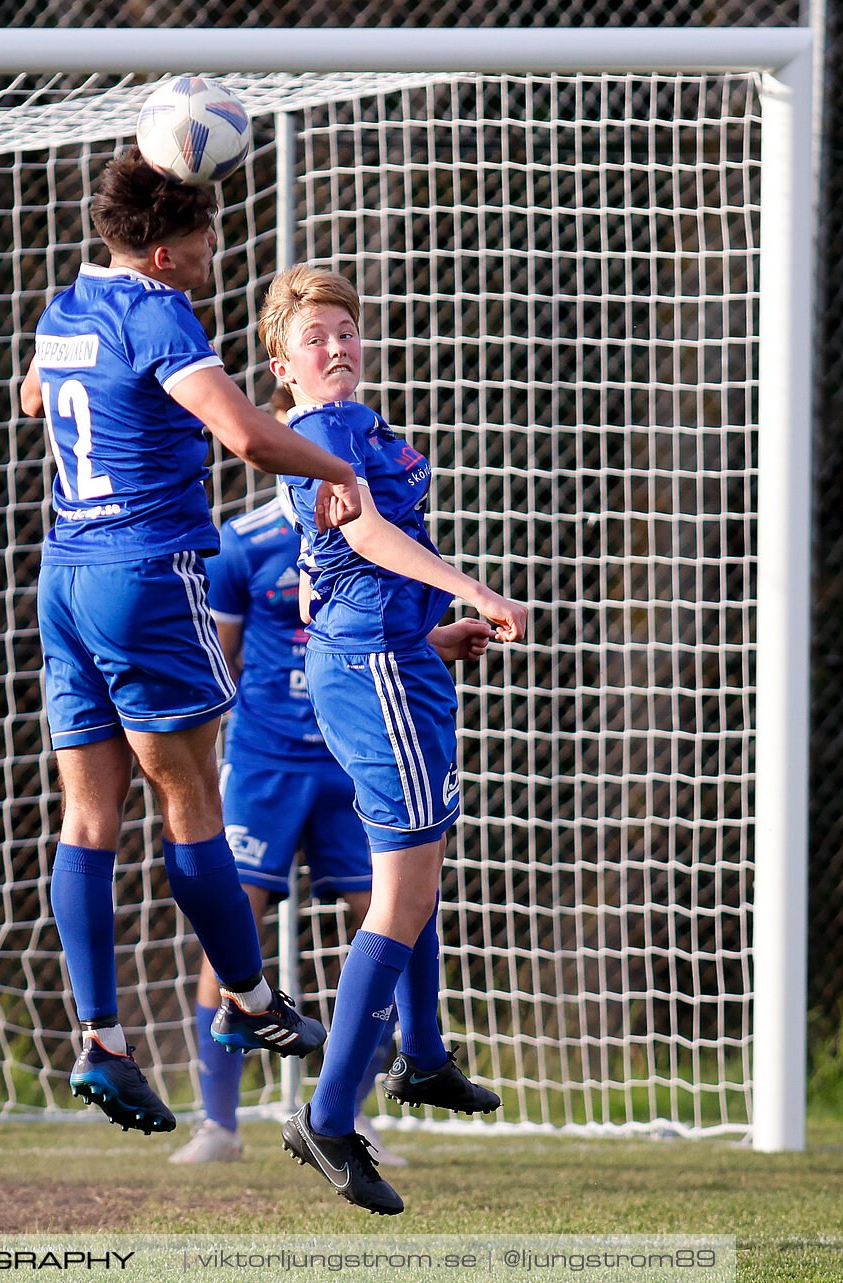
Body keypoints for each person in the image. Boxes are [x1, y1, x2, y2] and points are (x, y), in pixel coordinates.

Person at [16, 148, 367, 1134]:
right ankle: (251, 1003)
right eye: (209, 231)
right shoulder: (161, 313)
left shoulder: (65, 307)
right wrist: (339, 467)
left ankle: (103, 1039)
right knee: (187, 795)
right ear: (167, 250)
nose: (219, 245)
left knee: (87, 818)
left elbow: (34, 397)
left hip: (64, 578)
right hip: (143, 573)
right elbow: (248, 436)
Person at [171, 386, 496, 1166]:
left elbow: (362, 601)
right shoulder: (247, 540)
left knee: (399, 906)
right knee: (236, 926)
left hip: (348, 745)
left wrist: (432, 638)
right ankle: (221, 1120)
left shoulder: (357, 504)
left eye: (348, 332)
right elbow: (227, 656)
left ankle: (363, 1094)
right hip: (268, 758)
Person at [264, 265, 530, 1215]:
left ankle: (421, 1057)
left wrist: (433, 630)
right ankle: (329, 1118)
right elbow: (369, 539)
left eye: (345, 330)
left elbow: (339, 571)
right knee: (404, 889)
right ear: (282, 364)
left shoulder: (355, 423)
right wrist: (477, 590)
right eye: (314, 338)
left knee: (417, 873)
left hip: (395, 657)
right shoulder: (323, 430)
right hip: (372, 671)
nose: (335, 347)